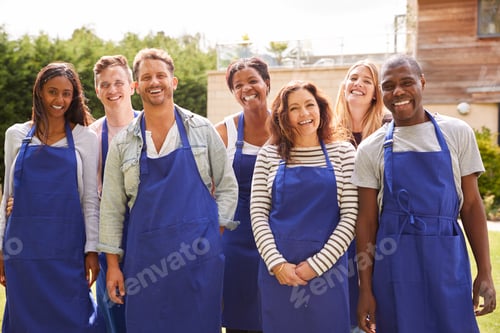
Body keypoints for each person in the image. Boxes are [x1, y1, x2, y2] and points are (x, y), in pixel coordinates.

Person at [352, 54, 497, 333]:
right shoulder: (371, 148)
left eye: (407, 82)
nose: (398, 92)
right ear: (381, 92)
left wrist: (486, 271)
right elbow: (367, 222)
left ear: (422, 82)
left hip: (447, 264)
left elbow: (471, 206)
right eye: (388, 86)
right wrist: (366, 289)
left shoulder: (457, 132)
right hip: (394, 268)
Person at [97, 47, 238, 332]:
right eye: (146, 77)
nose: (154, 82)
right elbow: (111, 209)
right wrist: (113, 265)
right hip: (145, 266)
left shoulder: (202, 130)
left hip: (198, 259)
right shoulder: (124, 143)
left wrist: (214, 230)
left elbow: (227, 186)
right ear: (136, 86)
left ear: (173, 81)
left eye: (161, 75)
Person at [0, 62, 104, 332]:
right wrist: (1, 247)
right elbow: (7, 196)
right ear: (39, 93)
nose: (59, 100)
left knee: (76, 320)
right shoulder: (16, 135)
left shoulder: (85, 139)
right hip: (23, 251)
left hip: (67, 251)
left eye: (66, 93)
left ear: (74, 97)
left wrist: (91, 249)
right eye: (52, 92)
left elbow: (90, 199)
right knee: (25, 320)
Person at [250, 79, 358, 333]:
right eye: (294, 108)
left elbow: (351, 217)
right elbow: (257, 213)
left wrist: (316, 265)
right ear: (283, 116)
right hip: (278, 273)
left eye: (310, 105)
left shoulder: (343, 153)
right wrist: (276, 263)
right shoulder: (268, 155)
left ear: (321, 109)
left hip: (328, 274)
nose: (304, 114)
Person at [215, 56, 271, 333]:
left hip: (277, 242)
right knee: (240, 323)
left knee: (277, 317)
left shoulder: (287, 129)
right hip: (236, 243)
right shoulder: (223, 132)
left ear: (267, 84)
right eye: (238, 85)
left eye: (252, 81)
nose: (246, 89)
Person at [333, 59, 389, 332]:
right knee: (343, 311)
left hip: (378, 233)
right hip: (338, 233)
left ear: (377, 92)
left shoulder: (389, 130)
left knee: (377, 306)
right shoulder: (325, 130)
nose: (358, 84)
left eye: (367, 81)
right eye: (353, 78)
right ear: (344, 86)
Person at [91, 54, 139, 333]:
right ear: (97, 90)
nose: (112, 90)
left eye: (119, 82)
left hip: (150, 241)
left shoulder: (153, 126)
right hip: (110, 244)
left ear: (132, 86)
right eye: (105, 84)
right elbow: (83, 196)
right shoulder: (91, 136)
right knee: (114, 322)